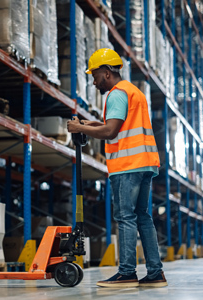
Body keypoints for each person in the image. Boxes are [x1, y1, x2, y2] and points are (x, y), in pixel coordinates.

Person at [67, 48, 167, 288]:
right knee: (143, 217)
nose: (93, 81)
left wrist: (80, 129)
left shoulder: (116, 93)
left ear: (107, 72)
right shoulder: (134, 92)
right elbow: (118, 125)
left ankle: (127, 272)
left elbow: (110, 131)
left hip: (127, 165)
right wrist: (93, 124)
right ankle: (155, 273)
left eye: (95, 75)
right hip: (144, 164)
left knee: (125, 217)